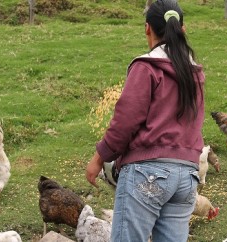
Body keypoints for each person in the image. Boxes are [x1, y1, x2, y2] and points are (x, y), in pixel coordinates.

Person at [86, 0, 205, 241]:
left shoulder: (147, 67)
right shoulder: (195, 73)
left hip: (148, 174)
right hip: (187, 177)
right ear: (183, 29)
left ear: (147, 28)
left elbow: (125, 121)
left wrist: (99, 157)